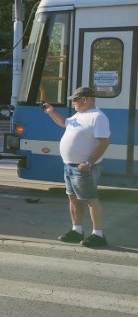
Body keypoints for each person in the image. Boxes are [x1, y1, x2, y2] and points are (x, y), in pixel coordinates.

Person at [41, 87, 111, 248]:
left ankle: (98, 234)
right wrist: (51, 112)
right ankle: (76, 230)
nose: (73, 103)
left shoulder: (97, 117)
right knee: (73, 198)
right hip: (70, 165)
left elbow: (104, 142)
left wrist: (88, 163)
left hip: (84, 168)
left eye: (75, 100)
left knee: (91, 200)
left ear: (85, 100)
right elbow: (64, 123)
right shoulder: (80, 114)